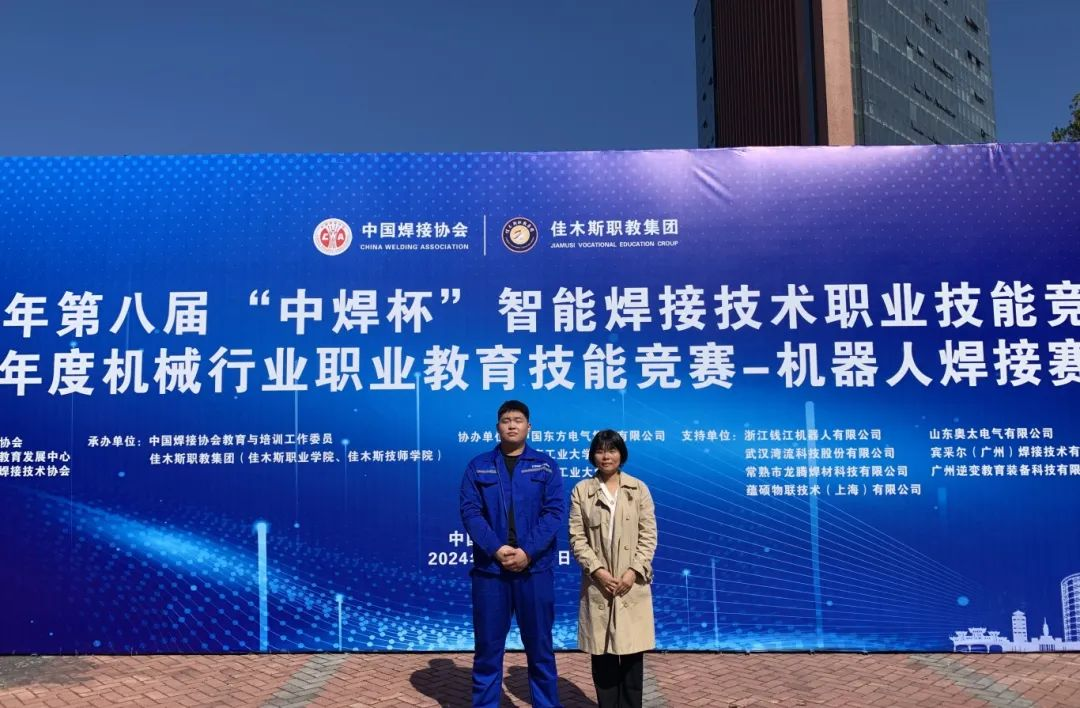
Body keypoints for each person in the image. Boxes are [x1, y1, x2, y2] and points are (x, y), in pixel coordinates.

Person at [459, 400, 565, 708]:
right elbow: (470, 512)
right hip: (491, 573)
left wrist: (527, 552)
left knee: (540, 648)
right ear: (497, 427)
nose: (512, 425)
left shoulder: (545, 466)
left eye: (518, 420)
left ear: (529, 426)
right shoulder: (478, 466)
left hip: (535, 571)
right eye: (506, 420)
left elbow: (554, 512)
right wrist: (496, 549)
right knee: (488, 649)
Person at [568, 429, 657, 708]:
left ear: (622, 454)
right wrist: (598, 572)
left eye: (612, 450)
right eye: (600, 450)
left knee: (632, 657)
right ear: (592, 455)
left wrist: (633, 572)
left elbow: (648, 535)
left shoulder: (638, 489)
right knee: (603, 657)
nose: (606, 456)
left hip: (631, 584)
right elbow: (577, 537)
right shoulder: (582, 490)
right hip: (599, 585)